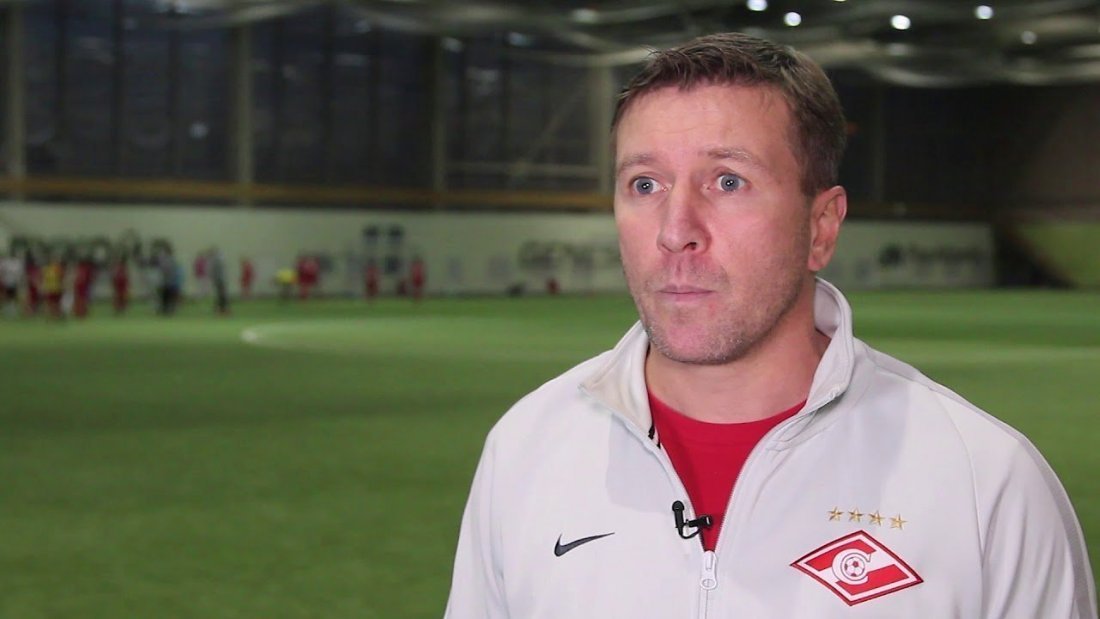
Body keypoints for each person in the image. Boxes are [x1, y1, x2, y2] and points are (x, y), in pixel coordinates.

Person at [444, 33, 1096, 618]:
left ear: (821, 226)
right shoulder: (527, 449)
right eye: (645, 185)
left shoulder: (983, 481)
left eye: (728, 181)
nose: (675, 231)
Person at [208, 246, 229, 315]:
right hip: (220, 280)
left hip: (218, 280)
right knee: (221, 295)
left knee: (220, 295)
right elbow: (214, 272)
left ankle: (220, 309)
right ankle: (221, 309)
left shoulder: (214, 260)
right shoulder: (217, 260)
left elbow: (212, 272)